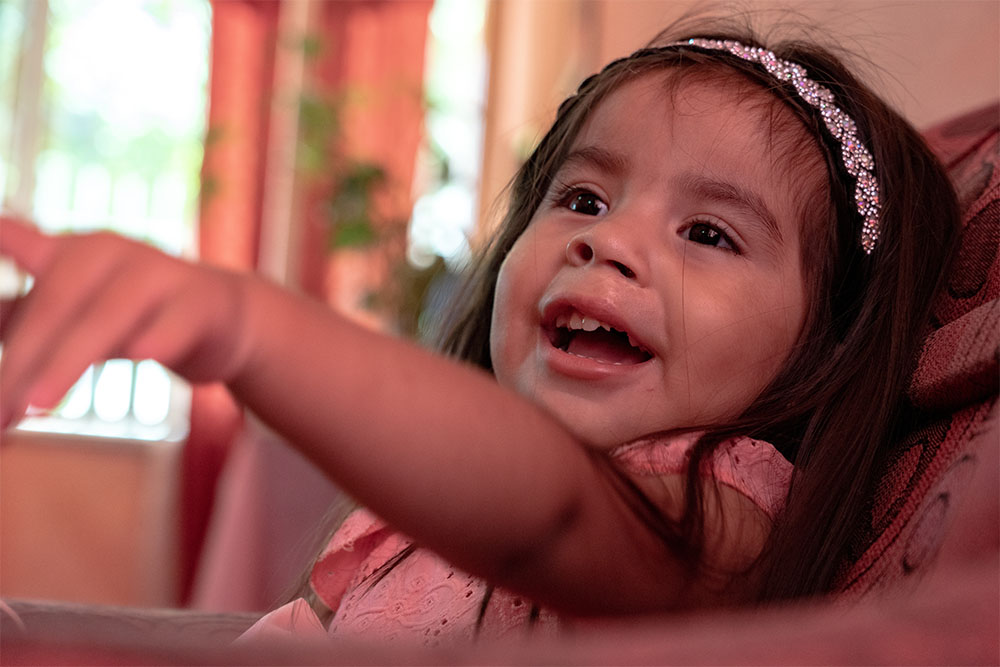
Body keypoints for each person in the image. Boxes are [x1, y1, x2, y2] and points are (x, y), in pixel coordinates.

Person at [0, 19, 959, 647]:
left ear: (827, 341)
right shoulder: (416, 530)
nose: (606, 240)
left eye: (708, 233)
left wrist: (250, 327)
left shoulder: (733, 513)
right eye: (581, 195)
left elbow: (554, 517)